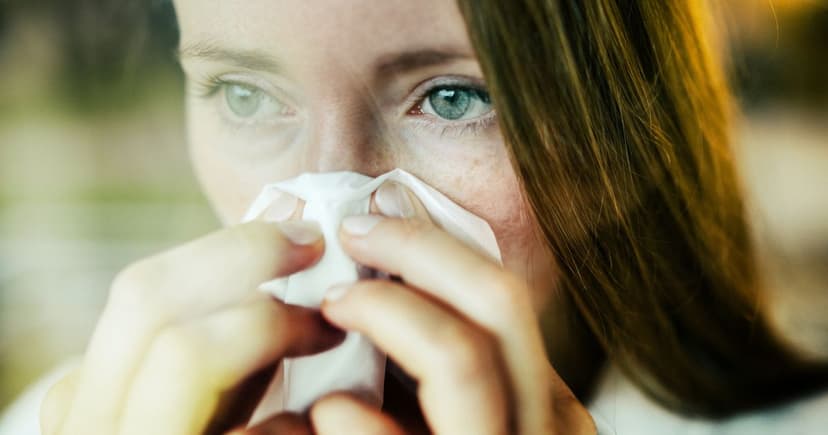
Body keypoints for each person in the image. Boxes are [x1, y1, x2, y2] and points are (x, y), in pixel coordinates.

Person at [4, 1, 828, 434]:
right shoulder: (64, 421)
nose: (328, 199)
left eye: (454, 97)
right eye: (246, 93)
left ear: (619, 138)